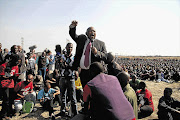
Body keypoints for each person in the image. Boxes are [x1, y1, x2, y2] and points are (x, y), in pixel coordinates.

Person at [69, 20, 107, 87]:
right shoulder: (81, 39)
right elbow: (73, 35)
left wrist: (97, 52)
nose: (92, 32)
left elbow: (105, 56)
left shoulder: (101, 44)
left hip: (95, 73)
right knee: (86, 90)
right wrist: (73, 26)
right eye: (90, 31)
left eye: (94, 31)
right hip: (83, 72)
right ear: (86, 33)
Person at [57, 43, 78, 117]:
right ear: (66, 47)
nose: (70, 48)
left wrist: (67, 66)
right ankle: (62, 111)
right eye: (69, 47)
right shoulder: (62, 56)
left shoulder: (74, 57)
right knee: (62, 96)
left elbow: (75, 67)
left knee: (73, 97)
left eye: (71, 47)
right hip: (63, 77)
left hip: (71, 78)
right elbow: (59, 66)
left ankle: (75, 113)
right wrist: (61, 63)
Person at [0, 54, 19, 119]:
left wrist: (15, 76)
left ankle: (9, 112)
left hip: (11, 84)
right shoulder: (3, 66)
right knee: (6, 100)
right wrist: (8, 76)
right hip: (4, 84)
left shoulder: (16, 66)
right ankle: (3, 114)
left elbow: (16, 75)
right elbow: (2, 76)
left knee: (11, 99)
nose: (16, 63)